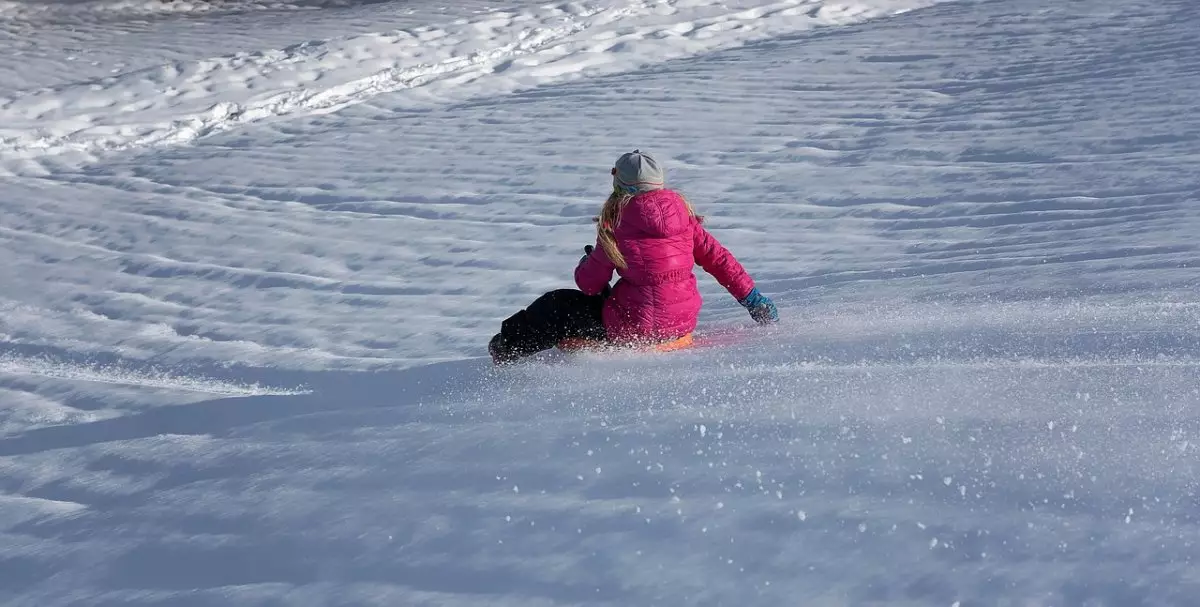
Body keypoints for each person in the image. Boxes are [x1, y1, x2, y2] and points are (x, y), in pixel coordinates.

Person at [488, 150, 778, 364]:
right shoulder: (686, 220)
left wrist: (585, 266)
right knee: (625, 295)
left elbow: (589, 285)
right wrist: (753, 300)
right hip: (680, 324)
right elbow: (720, 261)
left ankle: (506, 348)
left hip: (634, 328)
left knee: (556, 305)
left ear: (620, 186)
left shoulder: (617, 224)